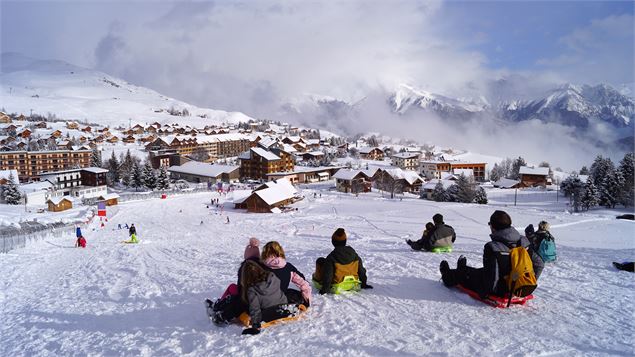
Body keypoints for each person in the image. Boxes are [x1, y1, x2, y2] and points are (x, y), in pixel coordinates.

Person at [439, 210, 544, 298]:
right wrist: (528, 281)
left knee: (467, 275)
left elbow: (492, 279)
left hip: (500, 289)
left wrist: (487, 293)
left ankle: (447, 275)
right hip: (518, 285)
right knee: (475, 272)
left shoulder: (493, 247)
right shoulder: (524, 242)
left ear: (493, 227)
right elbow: (539, 264)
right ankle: (463, 269)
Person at [207, 238, 262, 325]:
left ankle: (220, 305)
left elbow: (241, 287)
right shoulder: (263, 265)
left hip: (247, 298)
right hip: (261, 296)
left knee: (232, 288)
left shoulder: (245, 267)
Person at [239, 260, 294, 335]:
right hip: (283, 303)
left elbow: (255, 308)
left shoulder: (251, 289)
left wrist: (256, 324)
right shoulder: (272, 276)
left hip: (269, 311)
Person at [313, 228, 372, 294]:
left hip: (338, 283)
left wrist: (325, 289)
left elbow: (328, 274)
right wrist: (363, 283)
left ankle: (317, 279)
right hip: (352, 282)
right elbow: (361, 270)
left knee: (320, 260)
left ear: (333, 242)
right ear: (345, 241)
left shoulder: (332, 257)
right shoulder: (354, 254)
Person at [260, 241, 312, 306]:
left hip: (262, 301)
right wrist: (306, 300)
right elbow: (304, 283)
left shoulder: (259, 267)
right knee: (293, 294)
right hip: (280, 300)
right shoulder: (288, 267)